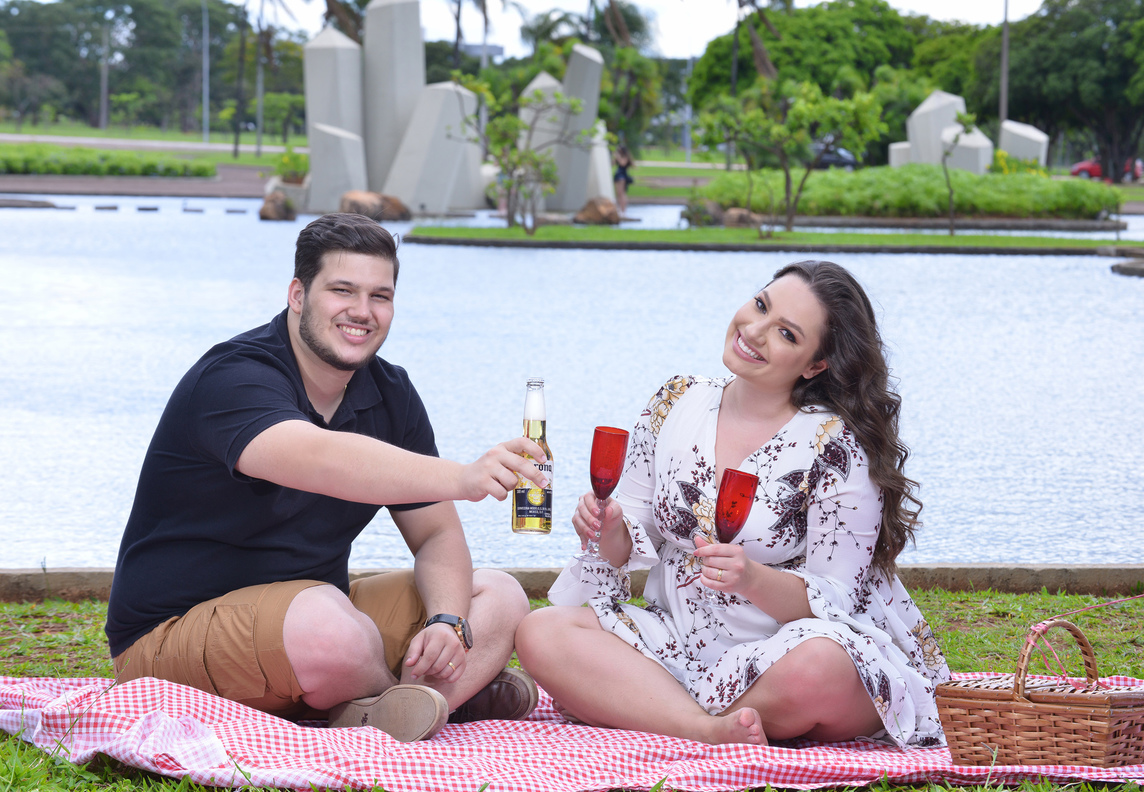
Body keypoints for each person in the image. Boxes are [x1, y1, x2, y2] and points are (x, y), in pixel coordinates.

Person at [106, 213, 548, 742]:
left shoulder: (391, 393)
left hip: (321, 612)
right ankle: (416, 704)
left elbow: (435, 535)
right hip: (172, 635)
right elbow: (320, 459)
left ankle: (393, 710)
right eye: (343, 290)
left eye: (380, 296)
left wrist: (447, 622)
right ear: (298, 294)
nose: (362, 312)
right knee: (327, 624)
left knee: (497, 597)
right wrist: (463, 477)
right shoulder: (232, 377)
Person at [515, 260, 950, 748]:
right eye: (760, 305)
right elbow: (624, 545)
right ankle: (704, 728)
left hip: (788, 649)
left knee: (817, 669)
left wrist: (751, 578)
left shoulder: (835, 445)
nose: (755, 331)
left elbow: (835, 599)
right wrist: (607, 526)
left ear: (815, 365)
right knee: (542, 631)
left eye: (786, 333)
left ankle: (641, 703)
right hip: (676, 640)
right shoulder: (674, 401)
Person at [613, 142, 634, 214]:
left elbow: (623, 163)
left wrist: (618, 157)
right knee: (618, 193)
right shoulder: (618, 157)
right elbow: (612, 164)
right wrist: (614, 157)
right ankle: (619, 209)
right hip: (617, 175)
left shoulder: (625, 157)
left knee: (622, 193)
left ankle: (623, 209)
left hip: (622, 176)